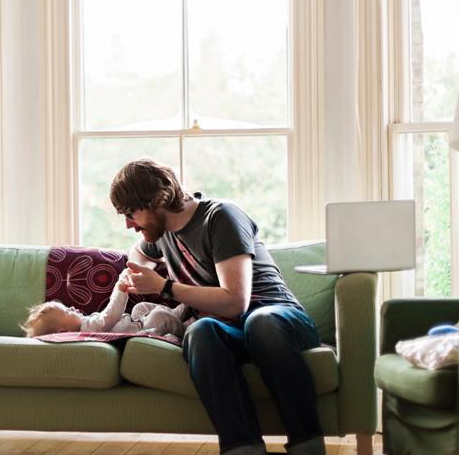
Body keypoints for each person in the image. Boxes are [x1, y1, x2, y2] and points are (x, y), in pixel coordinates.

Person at [109, 159, 324, 455]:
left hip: (280, 320)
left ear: (156, 201)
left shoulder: (220, 217)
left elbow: (236, 302)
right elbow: (137, 253)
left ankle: (307, 445)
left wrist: (163, 287)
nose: (129, 225)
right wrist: (137, 270)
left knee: (259, 323)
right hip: (232, 332)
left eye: (131, 213)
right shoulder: (161, 234)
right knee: (200, 331)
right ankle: (243, 449)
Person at [22, 270, 187, 339]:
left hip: (135, 323)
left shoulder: (85, 324)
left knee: (140, 308)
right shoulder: (89, 330)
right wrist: (119, 289)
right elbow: (111, 315)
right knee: (158, 317)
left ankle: (176, 313)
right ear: (63, 332)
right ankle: (183, 325)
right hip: (141, 332)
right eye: (67, 312)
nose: (71, 308)